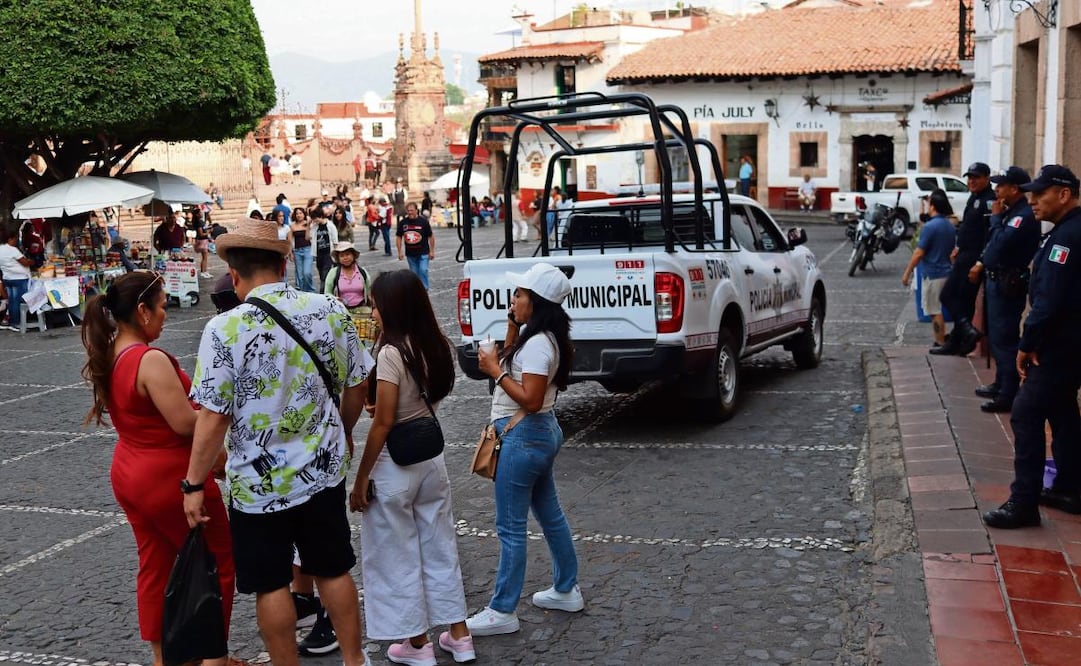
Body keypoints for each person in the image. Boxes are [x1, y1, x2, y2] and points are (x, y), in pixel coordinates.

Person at [183, 217, 373, 666]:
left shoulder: (225, 329)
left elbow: (212, 416)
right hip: (322, 471)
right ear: (285, 264)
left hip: (256, 486)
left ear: (234, 274)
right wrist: (343, 430)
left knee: (270, 584)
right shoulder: (329, 309)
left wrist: (193, 484)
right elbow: (358, 383)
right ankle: (354, 660)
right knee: (332, 569)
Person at [80, 271, 236, 665]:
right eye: (163, 306)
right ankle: (212, 658)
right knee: (216, 564)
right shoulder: (150, 359)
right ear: (143, 310)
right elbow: (185, 423)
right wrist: (221, 411)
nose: (167, 314)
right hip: (169, 477)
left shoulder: (113, 350)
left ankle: (164, 656)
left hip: (131, 472)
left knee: (156, 566)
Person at [348, 269, 475, 666]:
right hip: (430, 460)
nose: (373, 311)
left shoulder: (390, 352)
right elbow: (419, 401)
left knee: (395, 555)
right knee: (440, 548)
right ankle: (460, 635)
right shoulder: (434, 343)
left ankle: (418, 644)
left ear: (392, 307)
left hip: (395, 466)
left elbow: (383, 422)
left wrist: (361, 476)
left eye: (376, 304)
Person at [467, 263, 583, 636]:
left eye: (519, 294)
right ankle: (566, 588)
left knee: (511, 528)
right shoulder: (544, 337)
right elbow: (514, 355)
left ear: (538, 301)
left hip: (523, 434)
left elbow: (530, 399)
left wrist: (494, 370)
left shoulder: (537, 347)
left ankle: (503, 611)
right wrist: (513, 324)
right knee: (550, 514)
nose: (513, 299)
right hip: (540, 433)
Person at [982, 165, 1081, 529]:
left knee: (1025, 412)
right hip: (1069, 341)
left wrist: (1027, 343)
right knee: (1063, 411)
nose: (1033, 200)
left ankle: (1023, 502)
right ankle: (1071, 487)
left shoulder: (1066, 239)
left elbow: (1049, 300)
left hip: (1060, 344)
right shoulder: (1065, 232)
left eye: (1040, 194)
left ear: (1064, 195)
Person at [968, 166, 1041, 413]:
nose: (996, 190)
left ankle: (1008, 394)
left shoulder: (1021, 216)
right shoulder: (1012, 212)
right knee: (997, 337)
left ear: (1014, 189)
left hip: (1007, 283)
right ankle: (1000, 383)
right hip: (996, 280)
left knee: (1005, 339)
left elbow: (998, 245)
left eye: (1001, 186)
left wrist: (997, 218)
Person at [932, 162, 995, 356]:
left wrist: (980, 261)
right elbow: (968, 226)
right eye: (969, 177)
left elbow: (989, 234)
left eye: (976, 177)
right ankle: (959, 341)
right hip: (964, 253)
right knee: (963, 301)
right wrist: (958, 246)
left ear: (987, 178)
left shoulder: (988, 201)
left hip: (974, 256)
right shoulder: (974, 197)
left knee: (947, 295)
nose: (971, 181)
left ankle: (968, 331)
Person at [901, 190, 956, 349]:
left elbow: (919, 253)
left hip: (933, 273)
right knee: (938, 308)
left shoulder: (930, 227)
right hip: (946, 271)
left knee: (934, 310)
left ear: (932, 206)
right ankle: (942, 338)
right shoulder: (949, 226)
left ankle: (939, 341)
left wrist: (907, 272)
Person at [0, 224, 33, 332]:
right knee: (17, 301)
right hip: (19, 279)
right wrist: (31, 261)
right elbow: (25, 263)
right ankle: (15, 323)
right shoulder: (12, 250)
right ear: (10, 239)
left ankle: (8, 322)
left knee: (12, 300)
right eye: (15, 239)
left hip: (7, 278)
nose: (16, 241)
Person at [324, 242, 371, 314]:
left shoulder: (362, 272)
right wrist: (335, 299)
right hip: (341, 310)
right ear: (338, 258)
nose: (345, 258)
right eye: (342, 256)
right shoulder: (333, 273)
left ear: (353, 256)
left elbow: (370, 292)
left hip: (362, 309)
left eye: (348, 254)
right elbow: (327, 293)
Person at [397, 203, 435, 290]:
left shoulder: (423, 222)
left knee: (423, 270)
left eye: (411, 210)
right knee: (414, 273)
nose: (410, 212)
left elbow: (431, 236)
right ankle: (417, 290)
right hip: (410, 253)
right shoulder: (403, 223)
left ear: (416, 210)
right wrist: (400, 251)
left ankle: (425, 288)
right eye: (408, 210)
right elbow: (399, 237)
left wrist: (432, 251)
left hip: (423, 252)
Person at [312, 207, 338, 287]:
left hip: (328, 254)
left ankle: (323, 292)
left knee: (325, 275)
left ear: (321, 216)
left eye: (315, 218)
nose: (314, 221)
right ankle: (328, 289)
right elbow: (309, 237)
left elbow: (335, 241)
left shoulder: (330, 226)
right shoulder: (315, 227)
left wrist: (336, 255)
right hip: (319, 254)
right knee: (321, 274)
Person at [290, 207, 315, 292]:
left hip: (308, 250)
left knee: (307, 273)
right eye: (297, 213)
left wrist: (308, 225)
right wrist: (291, 253)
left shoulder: (308, 223)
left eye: (300, 213)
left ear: (304, 214)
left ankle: (310, 290)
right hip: (297, 251)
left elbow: (310, 236)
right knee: (299, 275)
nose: (299, 215)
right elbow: (290, 240)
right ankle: (303, 292)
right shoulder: (292, 225)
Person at [191, 208, 213, 279]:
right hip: (202, 241)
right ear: (197, 214)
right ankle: (203, 272)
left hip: (202, 240)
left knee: (204, 257)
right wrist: (208, 232)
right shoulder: (199, 222)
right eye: (200, 213)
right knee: (205, 257)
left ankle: (204, 271)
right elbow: (201, 233)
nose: (201, 214)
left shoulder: (199, 221)